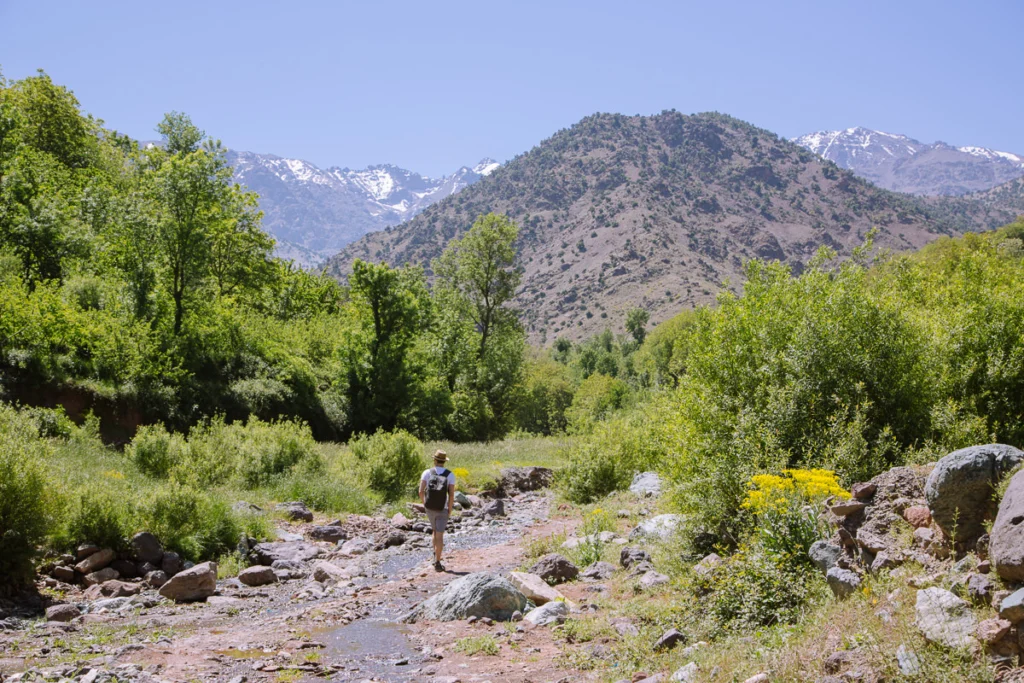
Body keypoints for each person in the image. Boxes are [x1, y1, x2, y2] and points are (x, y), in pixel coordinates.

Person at [419, 449, 456, 572]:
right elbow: (451, 495)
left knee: (434, 531)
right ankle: (438, 562)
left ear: (434, 460)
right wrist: (449, 509)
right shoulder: (450, 475)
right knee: (439, 534)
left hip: (430, 507)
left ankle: (435, 555)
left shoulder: (427, 472)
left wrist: (425, 504)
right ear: (444, 461)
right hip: (442, 508)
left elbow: (421, 491)